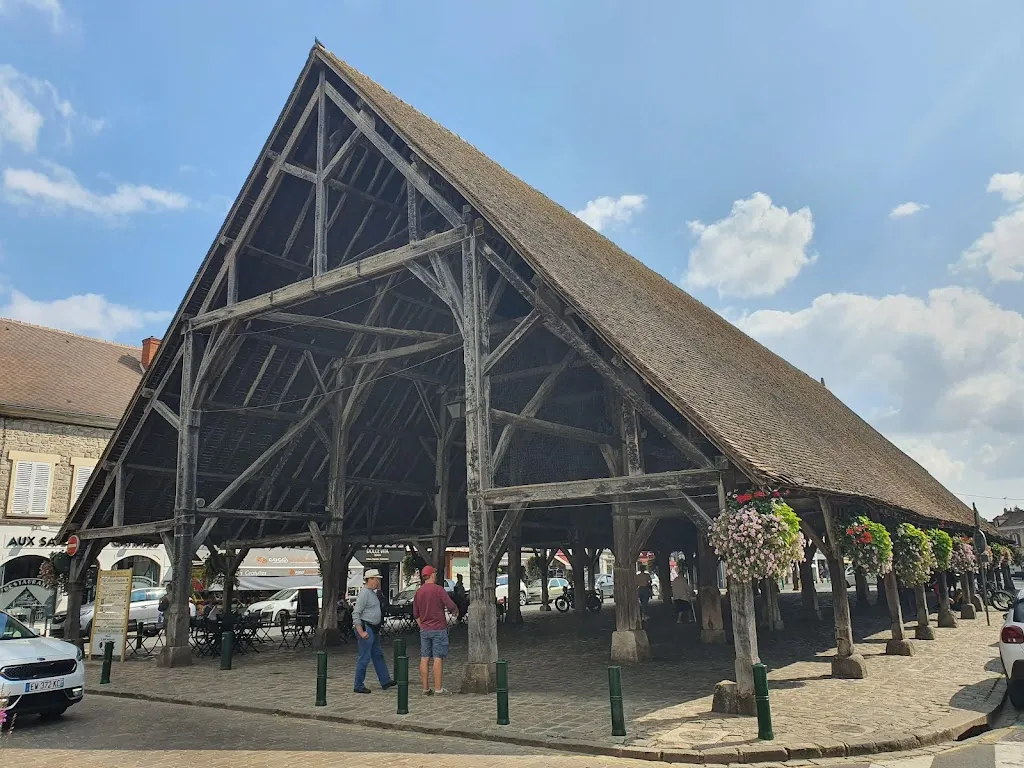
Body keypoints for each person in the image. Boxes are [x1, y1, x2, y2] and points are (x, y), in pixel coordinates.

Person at [413, 565, 458, 696]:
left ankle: (426, 688)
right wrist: (455, 611)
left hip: (425, 629)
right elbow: (450, 605)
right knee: (438, 658)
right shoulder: (439, 590)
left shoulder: (419, 592)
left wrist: (421, 625)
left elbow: (416, 613)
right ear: (432, 575)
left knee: (424, 657)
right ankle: (438, 689)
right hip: (439, 628)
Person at [351, 569, 396, 694]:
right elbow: (356, 613)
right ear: (369, 579)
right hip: (367, 627)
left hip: (373, 628)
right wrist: (361, 632)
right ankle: (358, 684)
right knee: (364, 657)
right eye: (376, 579)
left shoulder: (372, 593)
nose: (378, 581)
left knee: (377, 655)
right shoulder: (365, 594)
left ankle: (385, 680)